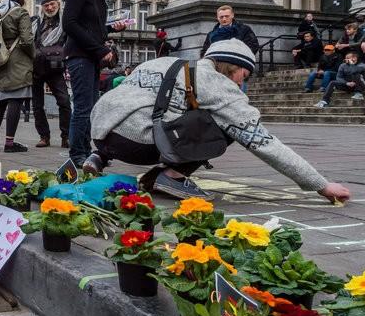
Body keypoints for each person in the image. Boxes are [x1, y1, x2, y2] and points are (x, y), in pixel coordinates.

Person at [85, 39, 350, 204]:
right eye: (243, 75)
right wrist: (321, 185)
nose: (241, 82)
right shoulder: (216, 83)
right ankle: (173, 176)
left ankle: (98, 159)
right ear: (231, 67)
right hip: (136, 143)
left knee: (164, 110)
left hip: (100, 130)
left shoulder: (166, 62)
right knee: (231, 126)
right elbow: (262, 141)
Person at [62, 0, 130, 165]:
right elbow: (69, 24)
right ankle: (77, 155)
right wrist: (101, 49)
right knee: (82, 107)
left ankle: (86, 151)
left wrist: (111, 29)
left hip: (89, 55)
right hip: (79, 55)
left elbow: (90, 25)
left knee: (90, 106)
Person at [0, 0, 34, 153]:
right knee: (15, 100)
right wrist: (33, 57)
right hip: (17, 62)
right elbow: (28, 40)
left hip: (0, 60)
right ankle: (9, 143)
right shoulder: (20, 12)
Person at [30, 0, 71, 148]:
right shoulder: (35, 22)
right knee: (37, 105)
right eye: (46, 5)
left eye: (52, 4)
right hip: (36, 67)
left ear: (58, 4)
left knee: (64, 102)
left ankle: (66, 136)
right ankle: (44, 137)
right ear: (41, 7)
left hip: (56, 68)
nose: (49, 7)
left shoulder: (66, 22)